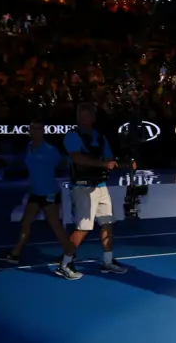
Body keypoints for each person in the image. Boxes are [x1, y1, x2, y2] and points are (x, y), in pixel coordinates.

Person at [0, 119, 81, 280]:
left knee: (55, 226)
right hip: (35, 193)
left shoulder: (50, 150)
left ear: (42, 131)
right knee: (25, 223)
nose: (33, 131)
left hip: (49, 194)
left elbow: (64, 162)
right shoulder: (29, 147)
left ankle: (70, 254)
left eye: (37, 128)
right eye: (31, 128)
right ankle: (15, 254)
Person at [60, 102, 135, 274]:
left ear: (93, 118)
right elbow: (77, 157)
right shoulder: (72, 136)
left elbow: (109, 159)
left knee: (108, 223)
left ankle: (107, 262)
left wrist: (125, 164)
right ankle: (65, 264)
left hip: (101, 187)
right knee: (83, 228)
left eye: (88, 114)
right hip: (83, 188)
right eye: (81, 114)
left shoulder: (100, 137)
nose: (84, 118)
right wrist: (102, 163)